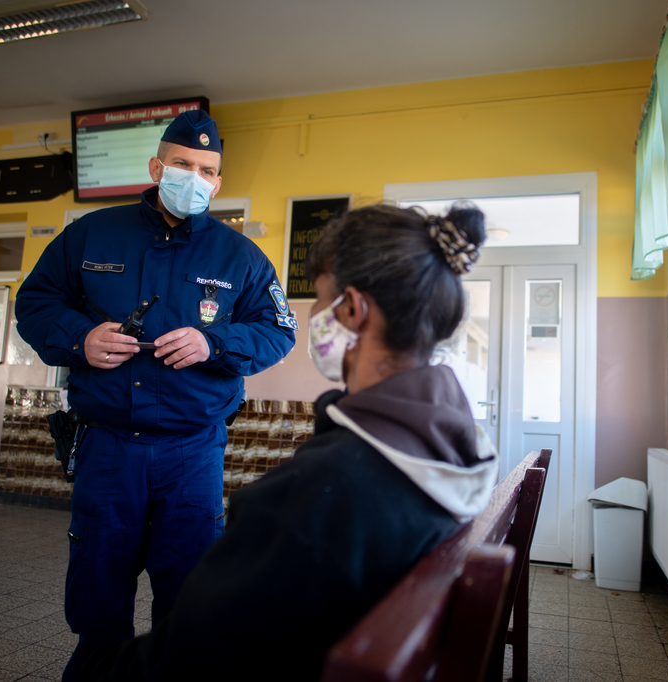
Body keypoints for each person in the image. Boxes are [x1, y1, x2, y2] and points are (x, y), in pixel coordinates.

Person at [74, 203, 498, 680]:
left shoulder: (316, 494)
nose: (314, 316)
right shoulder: (456, 447)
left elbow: (182, 664)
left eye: (319, 299)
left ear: (353, 309)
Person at [14, 110, 296, 681]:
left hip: (192, 452)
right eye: (183, 165)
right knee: (97, 589)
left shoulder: (241, 258)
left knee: (189, 594)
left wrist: (213, 342)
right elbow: (36, 304)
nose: (195, 177)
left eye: (207, 170)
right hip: (108, 447)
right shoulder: (91, 234)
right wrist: (80, 338)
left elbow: (279, 330)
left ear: (218, 182)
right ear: (156, 167)